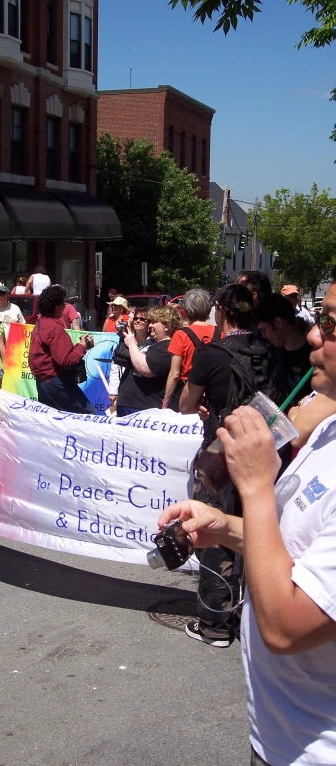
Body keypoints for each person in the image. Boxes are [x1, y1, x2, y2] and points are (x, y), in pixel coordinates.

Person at [157, 272, 336, 766]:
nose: (314, 334)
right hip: (278, 734)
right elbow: (292, 550)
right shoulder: (326, 426)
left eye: (331, 323)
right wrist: (227, 527)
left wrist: (255, 486)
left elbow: (286, 627)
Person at [179, 283, 262, 646]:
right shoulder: (267, 350)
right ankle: (253, 616)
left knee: (215, 535)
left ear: (222, 313)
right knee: (256, 532)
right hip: (263, 456)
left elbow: (186, 404)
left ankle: (215, 623)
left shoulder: (211, 354)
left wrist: (201, 403)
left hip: (221, 456)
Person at [29, 284, 94, 413]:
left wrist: (80, 346)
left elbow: (58, 354)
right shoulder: (55, 329)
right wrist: (82, 346)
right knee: (89, 416)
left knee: (53, 422)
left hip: (43, 382)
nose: (65, 307)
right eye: (63, 304)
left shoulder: (40, 324)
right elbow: (65, 360)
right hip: (55, 382)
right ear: (57, 307)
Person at [118, 306, 183, 416]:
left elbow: (145, 368)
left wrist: (132, 344)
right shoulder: (149, 342)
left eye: (154, 322)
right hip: (126, 404)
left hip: (144, 409)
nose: (150, 325)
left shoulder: (167, 347)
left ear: (167, 326)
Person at [163, 288, 216, 410]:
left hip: (187, 392)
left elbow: (174, 374)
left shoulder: (181, 335)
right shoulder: (219, 333)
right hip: (211, 391)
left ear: (186, 309)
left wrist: (165, 402)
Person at [255, 293, 313, 406]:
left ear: (278, 323)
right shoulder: (272, 355)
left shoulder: (313, 358)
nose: (263, 336)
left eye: (264, 330)